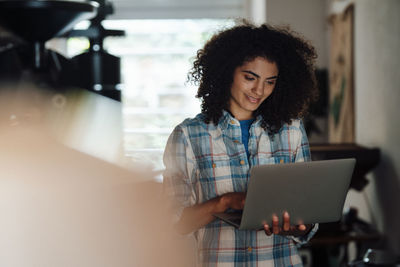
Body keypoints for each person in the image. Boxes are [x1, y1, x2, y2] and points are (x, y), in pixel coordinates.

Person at [163, 21, 319, 266]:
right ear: (227, 72)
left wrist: (295, 226)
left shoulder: (291, 130)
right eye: (250, 77)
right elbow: (176, 223)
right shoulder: (188, 135)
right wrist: (225, 202)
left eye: (270, 81)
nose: (259, 90)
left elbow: (308, 222)